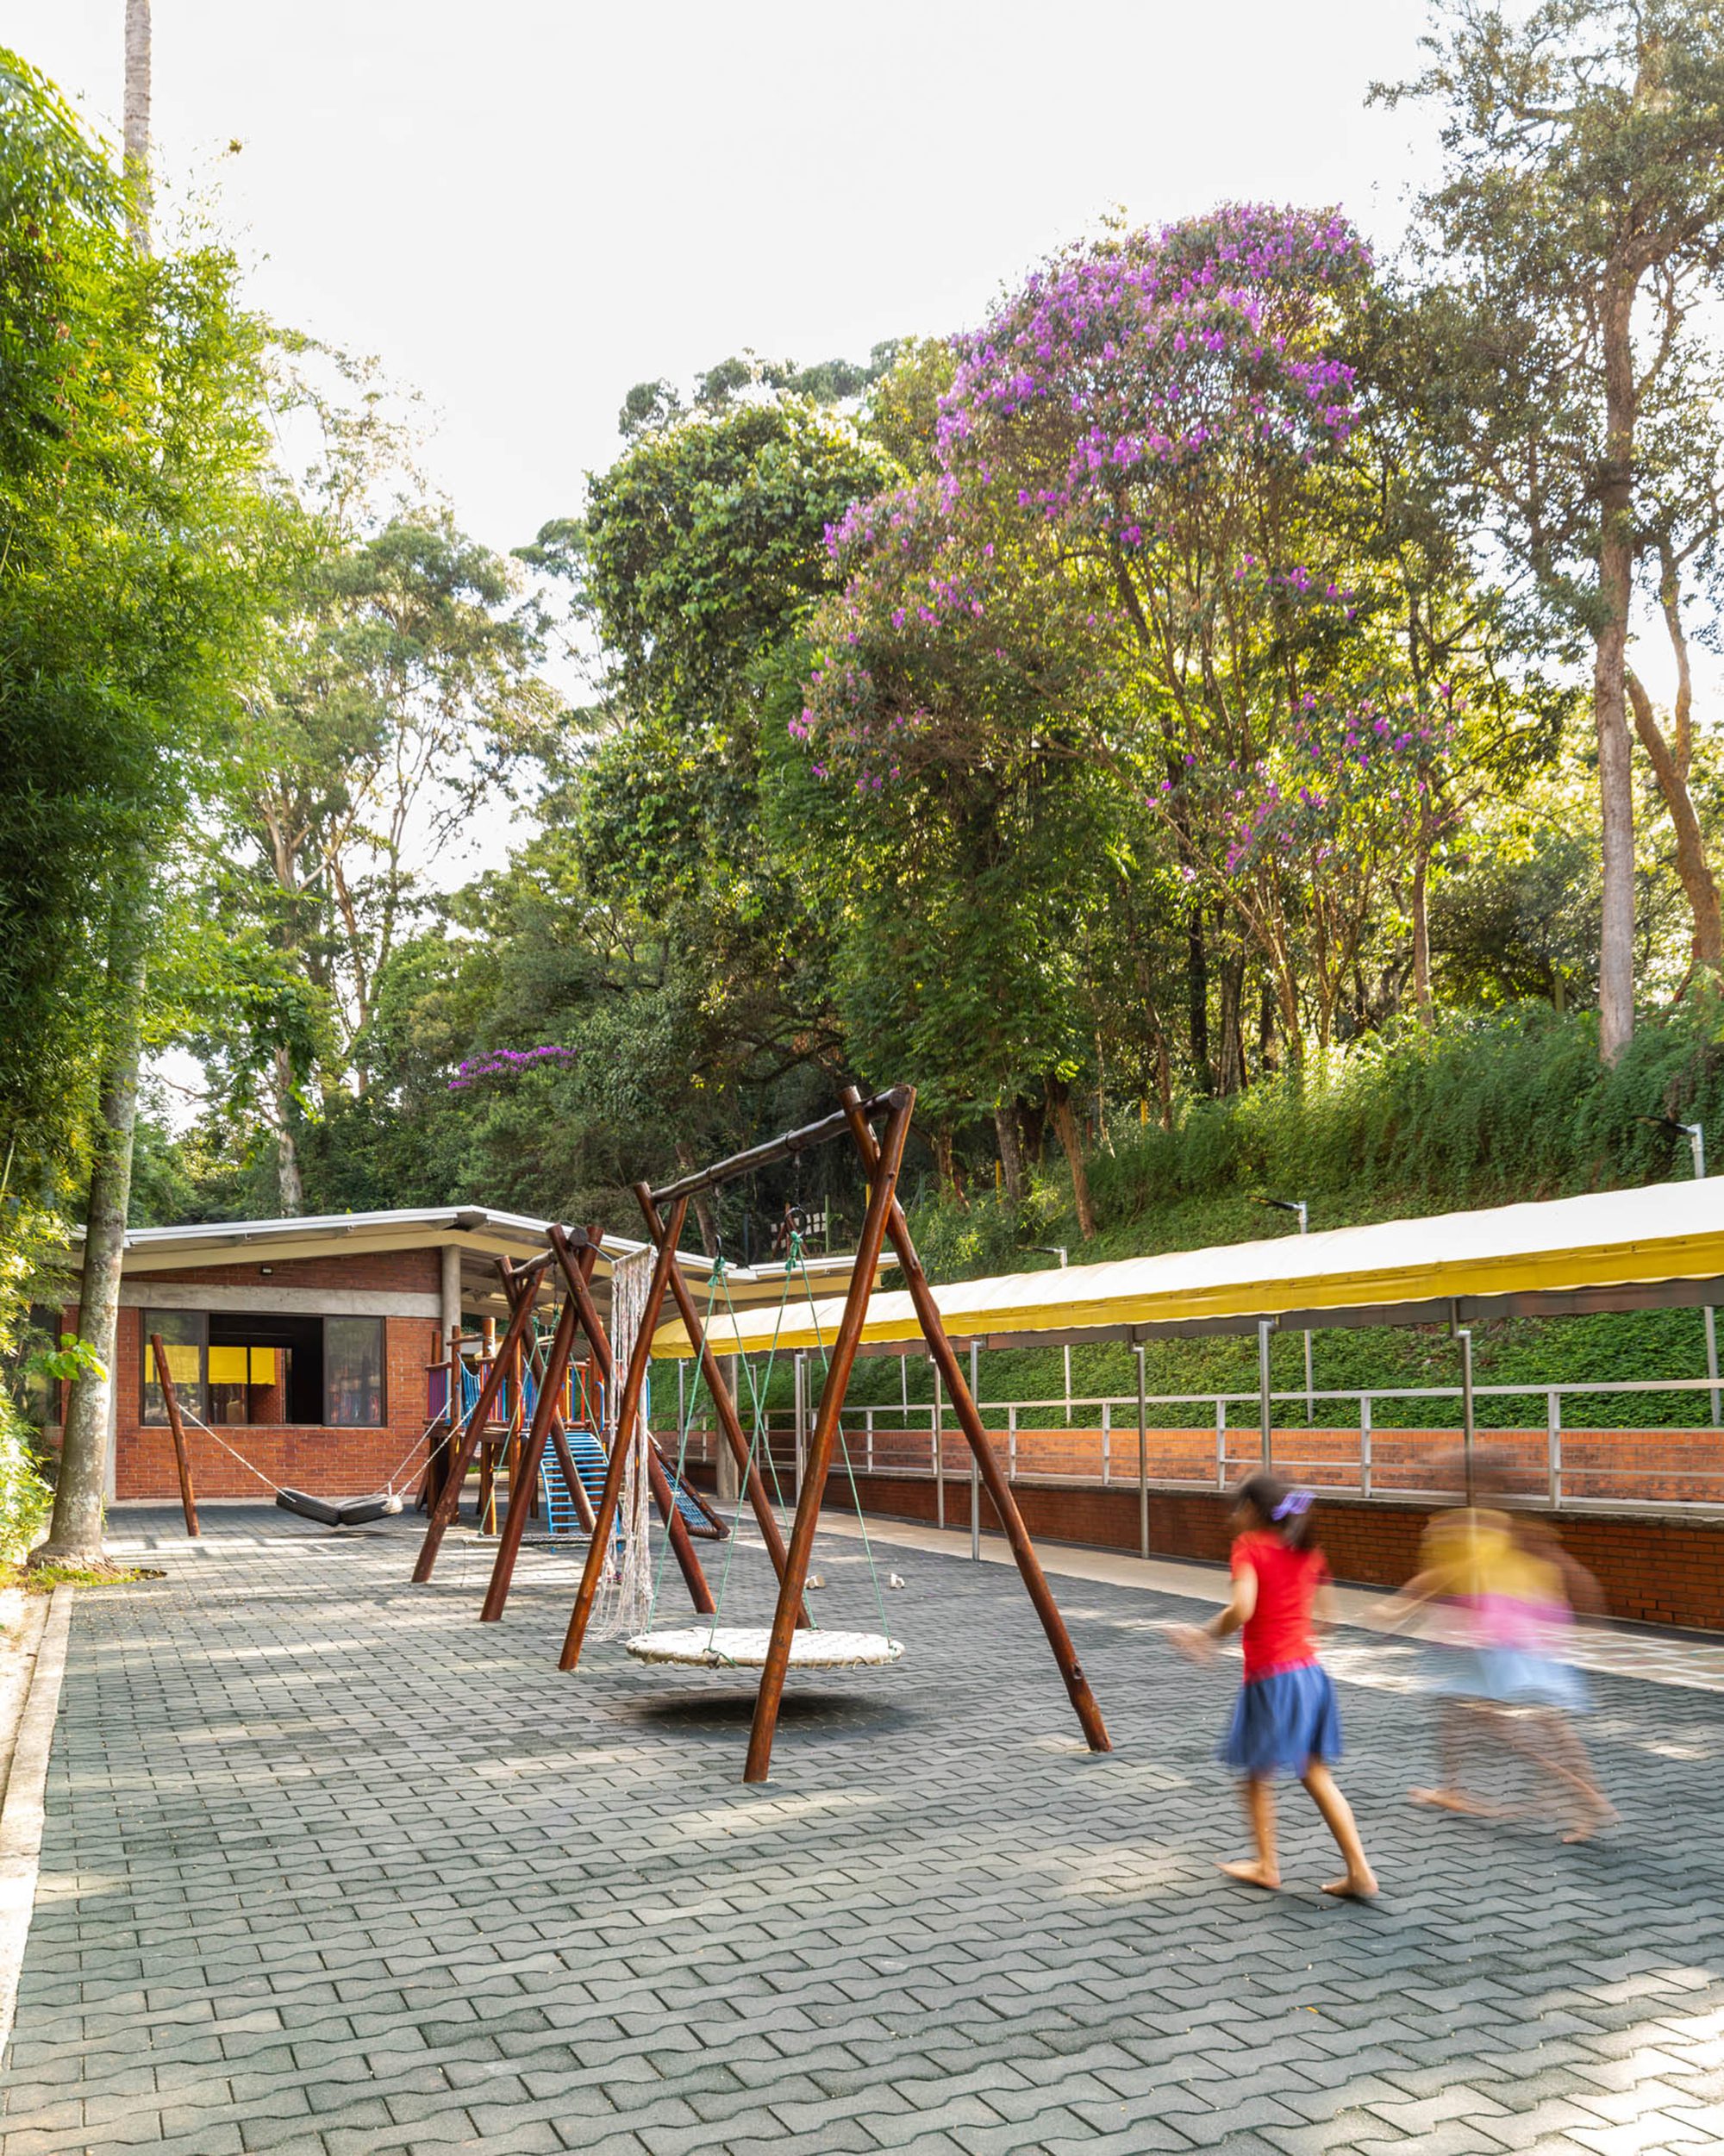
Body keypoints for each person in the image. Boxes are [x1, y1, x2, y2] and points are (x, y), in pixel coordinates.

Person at [1171, 1472, 1378, 1899]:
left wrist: (1204, 1635)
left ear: (1251, 1509)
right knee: (1315, 1774)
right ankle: (1360, 1871)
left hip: (1272, 1678)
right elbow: (1329, 1619)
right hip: (1311, 1675)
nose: (1232, 1516)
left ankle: (1267, 1865)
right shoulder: (1307, 1551)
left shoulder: (1249, 1547)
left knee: (1255, 1773)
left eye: (1236, 1508)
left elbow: (1242, 1608)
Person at [1374, 1507, 1615, 1841]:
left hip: (1488, 1647)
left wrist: (1396, 1609)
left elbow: (1435, 1580)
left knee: (1507, 1729)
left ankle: (1588, 1800)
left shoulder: (1468, 1537)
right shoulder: (1507, 1539)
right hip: (1510, 1640)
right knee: (1467, 1716)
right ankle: (1452, 1788)